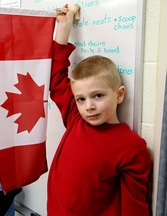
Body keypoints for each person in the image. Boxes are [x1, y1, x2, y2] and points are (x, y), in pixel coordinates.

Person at [47, 4, 152, 216]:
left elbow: (134, 208)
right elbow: (56, 76)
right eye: (81, 99)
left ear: (119, 94)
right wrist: (64, 26)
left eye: (98, 96)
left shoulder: (132, 147)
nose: (89, 106)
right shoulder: (76, 117)